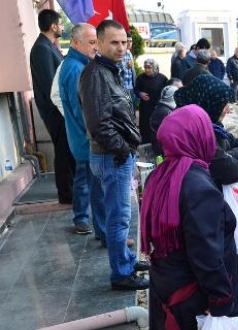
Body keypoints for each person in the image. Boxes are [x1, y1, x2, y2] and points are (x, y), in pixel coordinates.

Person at [141, 105, 238, 330]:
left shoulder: (156, 177)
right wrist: (220, 300)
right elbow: (206, 254)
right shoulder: (199, 187)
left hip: (166, 286)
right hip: (194, 297)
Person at [80, 20, 147, 290]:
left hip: (115, 154)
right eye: (114, 42)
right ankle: (121, 274)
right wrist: (123, 149)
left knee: (120, 216)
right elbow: (99, 124)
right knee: (119, 219)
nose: (121, 48)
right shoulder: (96, 73)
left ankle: (127, 260)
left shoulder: (110, 70)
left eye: (123, 42)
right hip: (112, 156)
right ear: (98, 43)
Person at [57, 23, 102, 236]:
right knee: (90, 184)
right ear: (75, 42)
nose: (96, 47)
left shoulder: (76, 64)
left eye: (97, 42)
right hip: (85, 139)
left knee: (86, 180)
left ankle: (85, 220)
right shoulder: (75, 68)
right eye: (92, 42)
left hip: (82, 137)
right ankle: (86, 221)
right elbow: (82, 110)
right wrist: (97, 135)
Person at [30, 9, 75, 204]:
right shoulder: (41, 48)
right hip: (55, 111)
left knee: (67, 151)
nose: (63, 27)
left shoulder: (49, 46)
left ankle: (70, 192)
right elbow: (51, 85)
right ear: (53, 26)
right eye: (60, 23)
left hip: (59, 110)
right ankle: (66, 194)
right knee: (64, 152)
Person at [174, 74, 238, 187]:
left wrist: (228, 154)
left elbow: (237, 142)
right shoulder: (195, 132)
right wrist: (234, 154)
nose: (228, 110)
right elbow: (232, 171)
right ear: (208, 102)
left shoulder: (212, 125)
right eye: (224, 105)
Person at [135, 59, 168, 144]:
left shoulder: (162, 78)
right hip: (145, 108)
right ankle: (145, 144)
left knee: (157, 127)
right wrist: (140, 94)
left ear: (154, 68)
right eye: (145, 67)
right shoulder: (140, 77)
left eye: (149, 68)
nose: (147, 70)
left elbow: (167, 91)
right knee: (145, 127)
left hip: (157, 107)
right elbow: (135, 89)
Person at [150, 81, 180, 157]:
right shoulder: (166, 111)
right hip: (163, 149)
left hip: (161, 147)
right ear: (172, 96)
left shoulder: (163, 107)